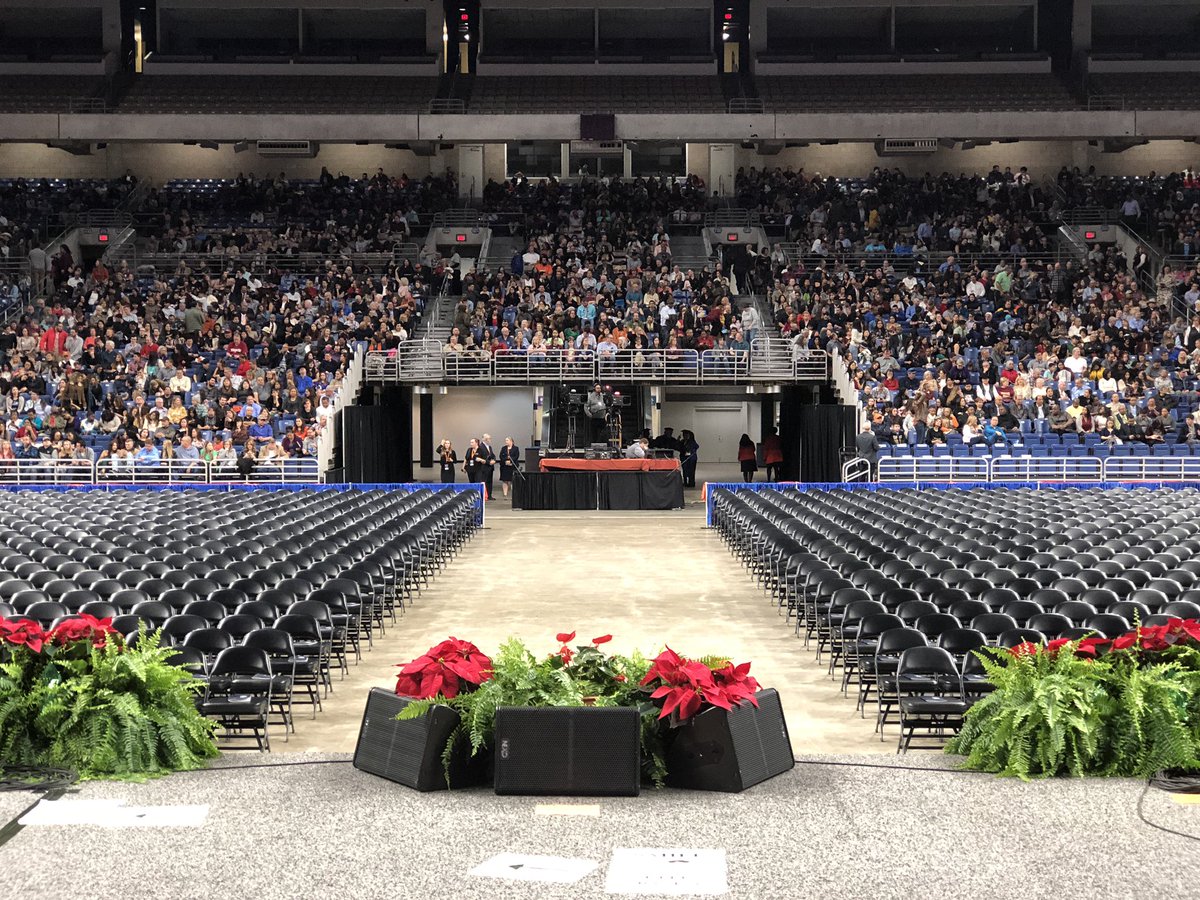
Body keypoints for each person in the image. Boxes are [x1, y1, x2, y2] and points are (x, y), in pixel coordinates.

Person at [479, 433, 497, 501]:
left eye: (490, 438)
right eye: (488, 438)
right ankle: (484, 495)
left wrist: (494, 460)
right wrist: (488, 462)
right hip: (484, 467)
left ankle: (489, 495)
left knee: (490, 482)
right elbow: (480, 457)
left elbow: (493, 455)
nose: (489, 440)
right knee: (484, 481)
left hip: (490, 467)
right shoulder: (480, 447)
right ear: (484, 439)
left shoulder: (489, 447)